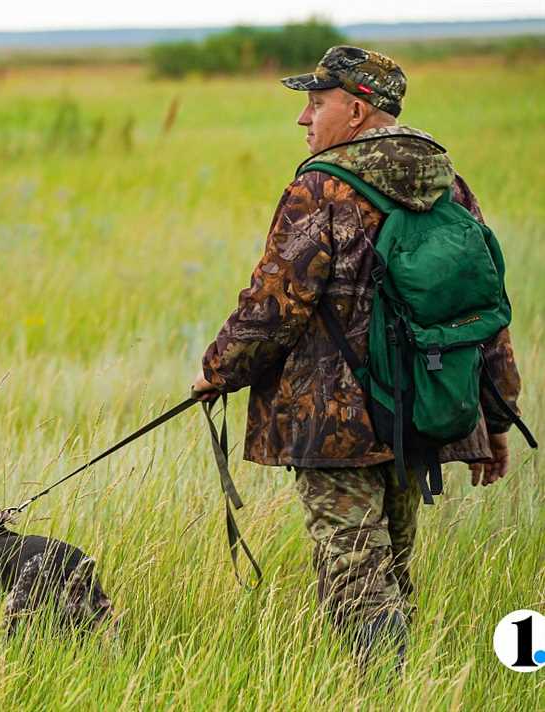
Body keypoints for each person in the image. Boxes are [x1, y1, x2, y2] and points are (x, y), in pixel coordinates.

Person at [189, 46, 523, 668]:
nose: (303, 119)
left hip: (333, 418)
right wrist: (494, 415)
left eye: (317, 104)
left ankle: (376, 690)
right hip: (421, 407)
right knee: (392, 565)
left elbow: (274, 303)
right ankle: (406, 686)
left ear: (358, 110)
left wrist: (218, 372)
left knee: (355, 577)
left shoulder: (319, 187)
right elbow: (484, 309)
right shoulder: (447, 183)